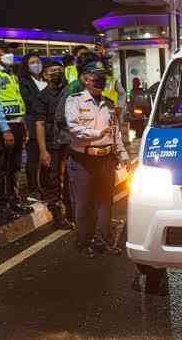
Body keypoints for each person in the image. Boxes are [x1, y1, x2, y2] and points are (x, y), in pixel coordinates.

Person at [66, 59, 129, 258]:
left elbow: (115, 131)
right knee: (84, 203)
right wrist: (97, 134)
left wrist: (123, 154)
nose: (100, 82)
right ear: (85, 79)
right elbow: (74, 128)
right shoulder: (74, 101)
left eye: (102, 78)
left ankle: (103, 241)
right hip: (83, 160)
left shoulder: (109, 104)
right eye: (95, 78)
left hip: (106, 159)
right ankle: (85, 243)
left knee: (105, 203)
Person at [0, 41, 32, 224]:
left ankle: (13, 200)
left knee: (14, 166)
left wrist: (22, 125)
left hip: (16, 125)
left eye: (11, 51)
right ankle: (0, 206)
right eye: (6, 51)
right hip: (1, 128)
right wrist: (5, 129)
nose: (10, 53)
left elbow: (16, 101)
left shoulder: (9, 73)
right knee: (0, 167)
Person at [33, 61, 72, 229]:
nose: (56, 73)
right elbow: (39, 124)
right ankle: (57, 216)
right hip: (53, 143)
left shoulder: (70, 92)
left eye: (59, 70)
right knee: (53, 179)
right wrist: (43, 150)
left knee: (70, 178)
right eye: (52, 71)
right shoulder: (42, 97)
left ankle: (72, 212)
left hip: (70, 141)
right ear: (46, 76)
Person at [18, 53, 47, 199]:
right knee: (33, 157)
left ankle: (45, 184)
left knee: (47, 156)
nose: (36, 64)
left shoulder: (45, 79)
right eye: (32, 62)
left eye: (38, 61)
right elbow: (28, 100)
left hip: (47, 122)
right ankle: (33, 187)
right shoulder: (24, 81)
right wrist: (44, 101)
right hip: (32, 122)